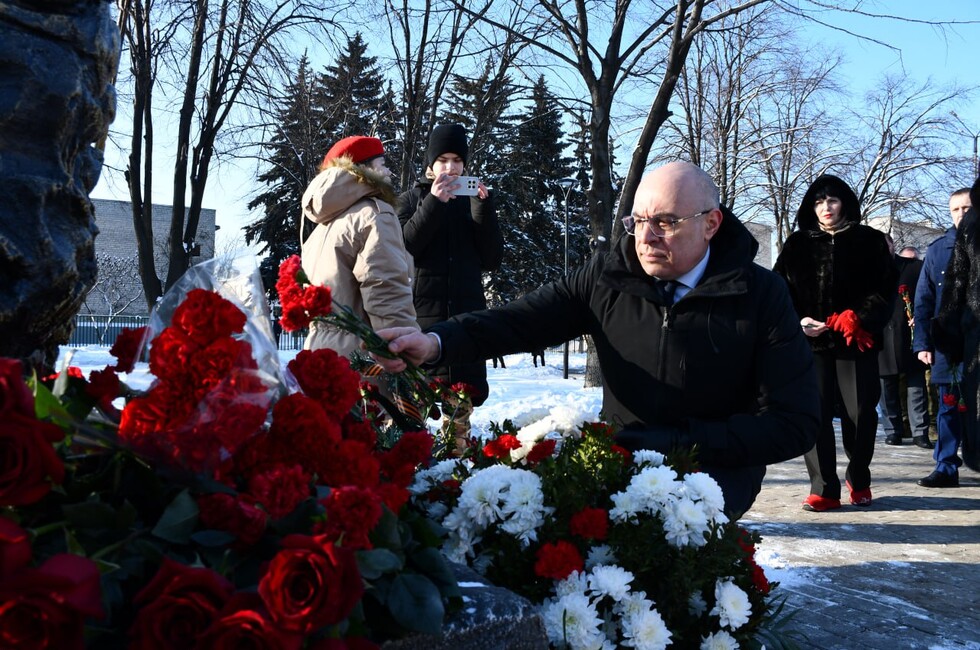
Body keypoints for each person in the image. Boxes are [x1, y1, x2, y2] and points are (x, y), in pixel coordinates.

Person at [377, 161, 819, 519]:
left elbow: (793, 424)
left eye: (665, 222)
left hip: (715, 474)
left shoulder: (761, 294)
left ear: (711, 223)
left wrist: (679, 442)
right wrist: (436, 342)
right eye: (638, 221)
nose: (646, 237)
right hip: (620, 458)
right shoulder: (607, 275)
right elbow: (521, 321)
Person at [773, 174, 896, 512]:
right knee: (815, 412)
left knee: (861, 412)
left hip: (856, 341)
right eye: (818, 201)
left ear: (845, 203)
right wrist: (798, 321)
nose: (825, 207)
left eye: (832, 200)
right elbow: (779, 290)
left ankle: (859, 476)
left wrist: (860, 316)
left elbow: (886, 289)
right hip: (811, 344)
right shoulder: (797, 244)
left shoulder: (870, 241)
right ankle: (824, 487)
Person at [396, 124, 503, 450]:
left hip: (465, 324)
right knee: (411, 424)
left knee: (458, 428)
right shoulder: (411, 200)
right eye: (443, 160)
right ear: (431, 163)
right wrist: (434, 202)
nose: (451, 168)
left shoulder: (473, 202)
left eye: (457, 160)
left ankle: (457, 467)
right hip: (421, 322)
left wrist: (483, 209)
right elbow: (404, 248)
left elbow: (492, 258)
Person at [300, 135, 418, 357]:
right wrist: (404, 349)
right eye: (382, 164)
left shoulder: (321, 228)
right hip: (362, 355)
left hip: (319, 352)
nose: (388, 172)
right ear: (363, 170)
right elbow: (385, 287)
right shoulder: (374, 214)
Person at [914, 186, 974, 487]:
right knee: (948, 407)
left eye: (967, 208)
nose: (961, 214)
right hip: (948, 347)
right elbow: (923, 300)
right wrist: (922, 343)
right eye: (955, 210)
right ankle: (946, 466)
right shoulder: (937, 250)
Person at [878, 233, 931, 449]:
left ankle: (920, 432)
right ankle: (892, 430)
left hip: (909, 333)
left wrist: (922, 317)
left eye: (885, 244)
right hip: (881, 334)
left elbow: (928, 294)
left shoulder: (914, 267)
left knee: (916, 385)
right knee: (886, 387)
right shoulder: (867, 271)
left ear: (892, 245)